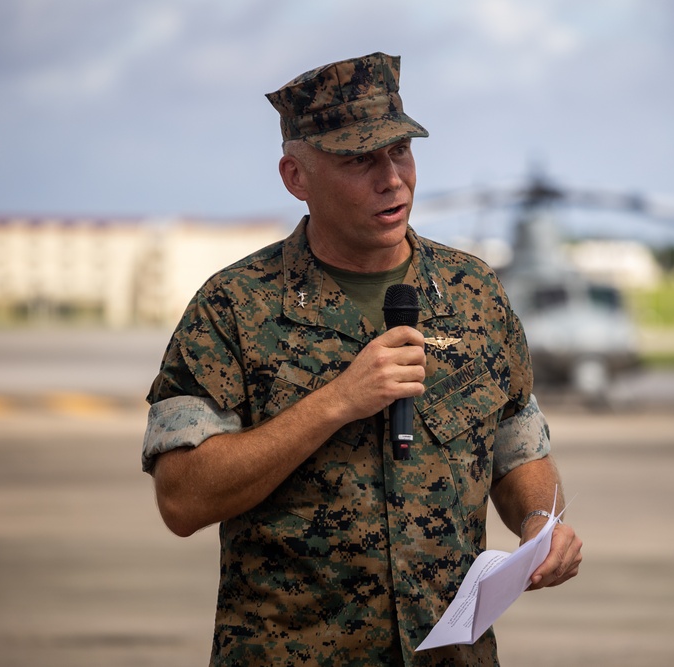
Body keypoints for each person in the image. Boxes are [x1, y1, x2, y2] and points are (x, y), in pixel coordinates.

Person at [142, 52, 582, 666]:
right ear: (296, 177)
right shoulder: (234, 307)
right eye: (359, 160)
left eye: (400, 151)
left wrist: (539, 522)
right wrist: (336, 402)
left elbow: (520, 448)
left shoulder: (473, 293)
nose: (392, 178)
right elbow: (182, 499)